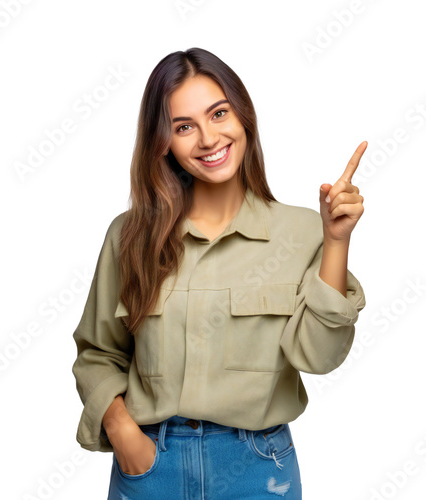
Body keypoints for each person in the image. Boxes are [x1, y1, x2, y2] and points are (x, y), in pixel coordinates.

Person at [71, 47, 367, 500]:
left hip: (258, 470)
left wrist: (336, 241)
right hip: (151, 467)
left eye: (219, 113)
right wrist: (123, 431)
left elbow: (319, 357)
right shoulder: (129, 236)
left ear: (244, 116)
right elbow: (97, 352)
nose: (208, 138)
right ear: (163, 142)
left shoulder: (302, 231)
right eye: (184, 126)